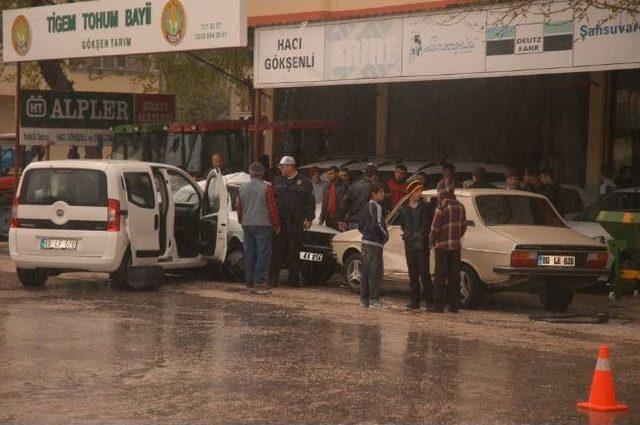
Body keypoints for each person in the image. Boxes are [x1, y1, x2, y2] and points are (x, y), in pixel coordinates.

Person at [269, 156, 315, 287]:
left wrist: (309, 218)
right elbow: (271, 199)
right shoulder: (277, 180)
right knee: (276, 250)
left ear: (290, 166)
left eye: (282, 167)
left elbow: (310, 201)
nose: (280, 169)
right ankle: (273, 279)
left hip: (295, 220)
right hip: (279, 221)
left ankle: (293, 279)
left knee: (294, 250)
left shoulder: (304, 181)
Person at [237, 162, 282, 291]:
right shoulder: (267, 188)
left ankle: (249, 281)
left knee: (249, 253)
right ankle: (259, 280)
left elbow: (240, 208)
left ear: (250, 173)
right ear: (262, 173)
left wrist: (242, 220)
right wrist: (276, 224)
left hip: (247, 224)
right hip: (263, 224)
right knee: (263, 253)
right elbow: (272, 208)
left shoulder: (242, 188)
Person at [429, 177, 467, 313]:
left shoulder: (442, 207)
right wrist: (456, 238)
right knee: (454, 276)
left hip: (442, 247)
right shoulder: (461, 206)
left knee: (440, 276)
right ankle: (454, 305)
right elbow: (463, 227)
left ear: (441, 192)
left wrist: (432, 241)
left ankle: (438, 305)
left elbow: (434, 228)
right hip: (456, 247)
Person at [399, 180, 434, 310]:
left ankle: (429, 302)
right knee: (412, 273)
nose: (420, 193)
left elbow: (431, 222)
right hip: (410, 244)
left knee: (424, 273)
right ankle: (415, 301)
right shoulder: (404, 209)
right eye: (417, 191)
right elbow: (403, 225)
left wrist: (425, 235)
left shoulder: (426, 206)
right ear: (411, 193)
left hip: (422, 244)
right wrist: (408, 235)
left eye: (420, 190)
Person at [358, 181, 388, 308]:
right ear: (373, 194)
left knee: (365, 272)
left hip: (365, 242)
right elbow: (379, 224)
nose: (383, 194)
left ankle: (364, 299)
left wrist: (366, 233)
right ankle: (374, 300)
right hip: (375, 244)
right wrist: (385, 235)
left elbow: (360, 225)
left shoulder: (365, 206)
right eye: (380, 192)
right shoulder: (378, 207)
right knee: (375, 272)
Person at [338, 164, 378, 231]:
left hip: (352, 222)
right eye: (376, 177)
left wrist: (341, 219)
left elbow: (344, 204)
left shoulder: (354, 186)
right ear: (373, 176)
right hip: (365, 222)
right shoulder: (373, 188)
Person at [320, 166, 346, 230]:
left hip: (339, 217)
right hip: (329, 216)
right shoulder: (327, 187)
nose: (329, 176)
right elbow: (324, 203)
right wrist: (322, 218)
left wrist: (343, 218)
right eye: (328, 174)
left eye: (331, 173)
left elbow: (346, 203)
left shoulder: (344, 185)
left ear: (337, 174)